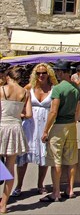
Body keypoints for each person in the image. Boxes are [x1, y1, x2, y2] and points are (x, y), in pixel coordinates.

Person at [12, 63, 58, 197]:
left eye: (44, 73)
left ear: (49, 74)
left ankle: (40, 184)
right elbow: (17, 105)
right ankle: (19, 185)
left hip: (45, 125)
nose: (41, 75)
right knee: (23, 157)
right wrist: (20, 115)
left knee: (43, 156)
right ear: (35, 75)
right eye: (38, 73)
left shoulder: (53, 89)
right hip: (29, 125)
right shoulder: (29, 88)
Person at [40, 60, 80, 202]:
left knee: (55, 160)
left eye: (57, 71)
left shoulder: (57, 89)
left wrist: (45, 130)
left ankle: (56, 192)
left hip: (59, 126)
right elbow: (78, 108)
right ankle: (70, 189)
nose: (56, 73)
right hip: (71, 125)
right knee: (71, 159)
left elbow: (53, 111)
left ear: (62, 72)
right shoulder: (76, 88)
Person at [0, 67, 32, 214]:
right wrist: (19, 113)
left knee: (3, 166)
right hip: (15, 128)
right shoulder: (25, 93)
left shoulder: (2, 90)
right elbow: (29, 114)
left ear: (8, 76)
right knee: (10, 166)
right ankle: (4, 204)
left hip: (2, 126)